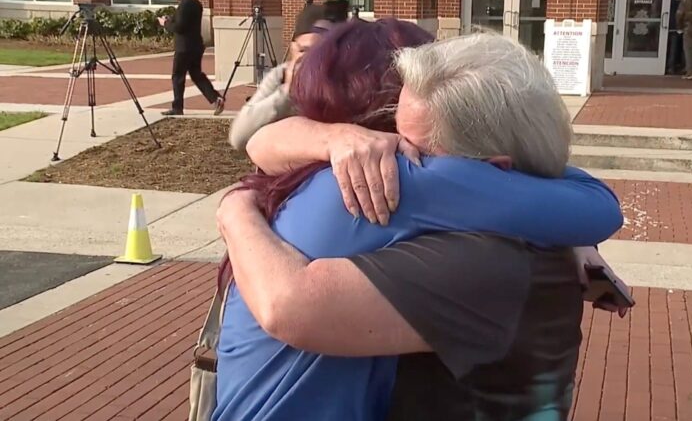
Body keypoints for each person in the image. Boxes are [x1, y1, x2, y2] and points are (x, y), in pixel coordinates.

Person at [214, 24, 624, 421]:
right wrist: (560, 232)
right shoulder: (390, 182)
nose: (400, 148)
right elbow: (599, 206)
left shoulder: (306, 182)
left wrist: (239, 203)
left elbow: (256, 142)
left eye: (411, 142)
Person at [228, 4, 339, 151]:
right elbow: (238, 137)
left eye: (320, 53)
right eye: (304, 50)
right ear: (293, 48)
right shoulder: (280, 76)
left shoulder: (346, 83)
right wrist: (287, 92)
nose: (310, 61)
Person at [159, 0, 224, 116]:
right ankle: (216, 98)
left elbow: (180, 27)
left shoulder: (185, 4)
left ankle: (177, 107)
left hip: (184, 48)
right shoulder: (196, 3)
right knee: (196, 75)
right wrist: (171, 19)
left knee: (178, 76)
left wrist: (165, 23)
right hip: (196, 46)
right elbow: (187, 23)